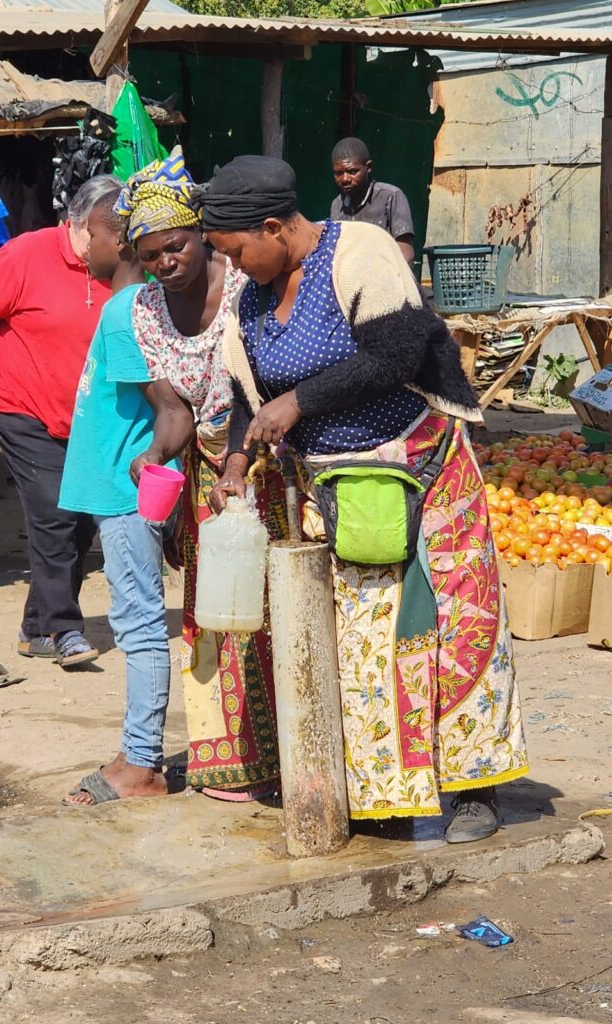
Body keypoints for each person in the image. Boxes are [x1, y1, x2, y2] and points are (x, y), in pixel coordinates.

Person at [198, 155, 528, 843]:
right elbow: (245, 396)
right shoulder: (254, 299)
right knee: (370, 645)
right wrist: (235, 459)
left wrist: (301, 400)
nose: (232, 268)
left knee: (455, 628)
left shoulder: (359, 250)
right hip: (338, 490)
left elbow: (398, 355)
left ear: (272, 227)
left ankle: (475, 790)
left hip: (426, 471)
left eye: (235, 252)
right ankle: (389, 797)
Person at [109, 149, 285, 802]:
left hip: (267, 465)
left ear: (199, 234)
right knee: (213, 616)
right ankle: (230, 763)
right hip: (207, 480)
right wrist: (156, 456)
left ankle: (287, 754)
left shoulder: (245, 283)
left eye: (175, 247)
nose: (165, 262)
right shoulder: (145, 311)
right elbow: (174, 408)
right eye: (151, 254)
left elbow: (256, 387)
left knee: (274, 612)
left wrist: (239, 460)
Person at [0, 177, 120, 669]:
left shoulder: (118, 263)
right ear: (80, 225)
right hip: (23, 406)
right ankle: (64, 628)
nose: (114, 244)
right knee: (53, 510)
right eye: (105, 234)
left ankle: (34, 627)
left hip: (86, 416)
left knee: (81, 521)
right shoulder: (27, 253)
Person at [59, 179, 192, 804]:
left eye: (89, 231)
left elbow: (169, 406)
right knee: (135, 618)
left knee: (137, 624)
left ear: (116, 238)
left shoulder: (126, 311)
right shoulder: (129, 306)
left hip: (125, 490)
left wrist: (154, 460)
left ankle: (141, 763)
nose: (82, 243)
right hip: (116, 487)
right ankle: (135, 751)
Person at [330, 136, 415, 267]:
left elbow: (406, 253)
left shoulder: (391, 196)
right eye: (338, 173)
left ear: (368, 167)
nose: (345, 179)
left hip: (389, 278)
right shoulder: (337, 205)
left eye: (352, 171)